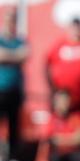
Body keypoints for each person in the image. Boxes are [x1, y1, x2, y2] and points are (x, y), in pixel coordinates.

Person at [44, 17, 80, 110]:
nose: (76, 31)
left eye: (78, 28)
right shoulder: (59, 46)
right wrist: (52, 88)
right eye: (73, 28)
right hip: (62, 98)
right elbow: (47, 65)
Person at [0, 10, 27, 151]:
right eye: (7, 20)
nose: (9, 23)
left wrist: (7, 56)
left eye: (12, 20)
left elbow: (25, 55)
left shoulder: (20, 40)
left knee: (14, 128)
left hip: (15, 90)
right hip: (0, 90)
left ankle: (11, 160)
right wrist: (15, 56)